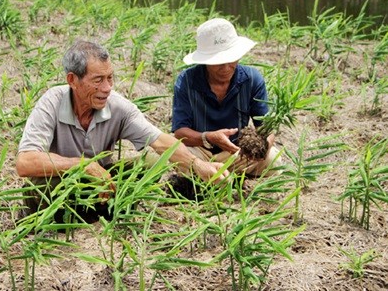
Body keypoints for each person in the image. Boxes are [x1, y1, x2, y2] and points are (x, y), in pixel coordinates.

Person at [16, 40, 229, 222]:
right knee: (40, 184)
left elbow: (161, 141)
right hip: (63, 183)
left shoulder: (118, 106)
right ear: (72, 80)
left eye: (110, 78)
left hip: (102, 183)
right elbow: (25, 162)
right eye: (98, 80)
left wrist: (200, 167)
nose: (107, 88)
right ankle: (61, 218)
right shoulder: (52, 102)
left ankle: (104, 210)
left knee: (152, 161)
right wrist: (82, 165)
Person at [172, 18, 281, 180]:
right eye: (218, 62)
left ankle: (216, 174)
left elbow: (266, 128)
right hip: (201, 151)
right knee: (176, 158)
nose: (226, 67)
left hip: (238, 153)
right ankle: (213, 171)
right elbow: (180, 132)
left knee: (273, 160)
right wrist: (207, 137)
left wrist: (261, 147)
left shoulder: (252, 79)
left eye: (231, 59)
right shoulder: (187, 81)